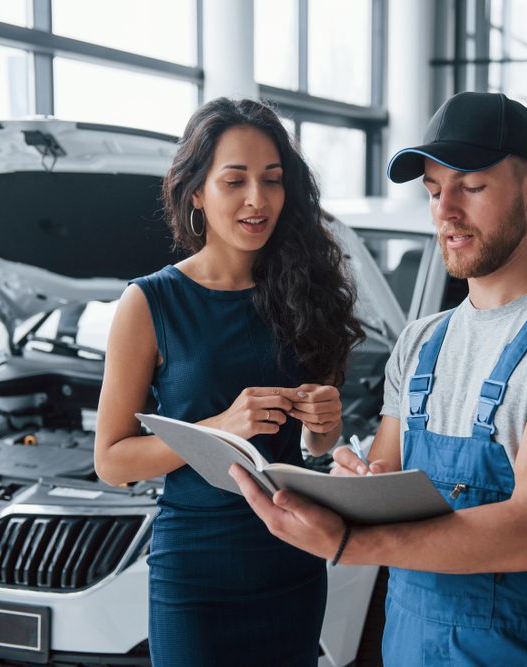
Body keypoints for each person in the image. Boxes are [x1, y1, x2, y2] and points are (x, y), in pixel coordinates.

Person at [230, 91, 527, 666]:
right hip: (409, 643)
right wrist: (353, 481)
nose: (445, 211)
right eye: (433, 191)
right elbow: (387, 477)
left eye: (470, 188)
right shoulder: (422, 340)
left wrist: (351, 541)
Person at [94, 98, 364, 666]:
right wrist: (215, 429)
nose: (257, 200)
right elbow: (112, 461)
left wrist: (324, 426)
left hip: (292, 558)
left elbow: (312, 448)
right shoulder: (149, 302)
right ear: (196, 192)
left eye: (272, 180)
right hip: (196, 574)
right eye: (234, 180)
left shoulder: (303, 291)